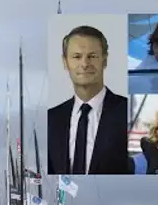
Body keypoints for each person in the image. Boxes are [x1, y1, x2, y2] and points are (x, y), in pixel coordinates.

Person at [47, 25, 128, 175]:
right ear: (65, 62)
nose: (84, 64)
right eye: (77, 57)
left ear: (104, 60)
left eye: (92, 56)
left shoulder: (126, 113)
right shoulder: (50, 120)